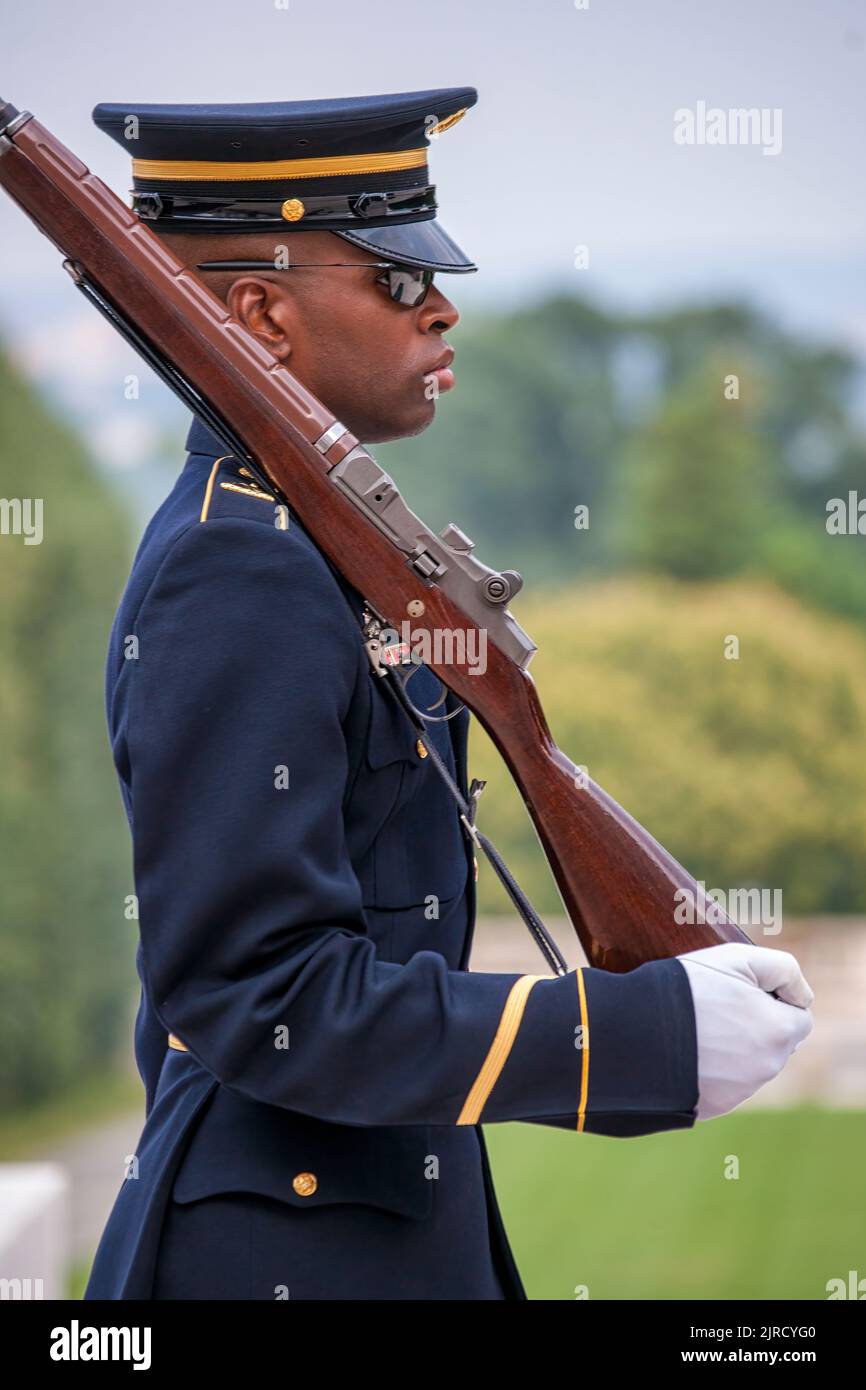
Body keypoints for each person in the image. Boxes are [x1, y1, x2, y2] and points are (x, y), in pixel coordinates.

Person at [83, 87, 813, 1301]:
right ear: (259, 314)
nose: (441, 306)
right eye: (393, 280)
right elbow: (257, 995)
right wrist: (628, 1036)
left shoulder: (309, 545)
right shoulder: (240, 567)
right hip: (277, 1257)